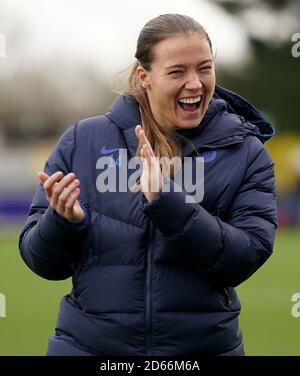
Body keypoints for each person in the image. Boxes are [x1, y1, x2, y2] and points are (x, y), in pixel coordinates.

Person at [19, 13, 277, 356]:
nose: (196, 84)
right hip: (88, 348)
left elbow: (245, 257)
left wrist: (168, 202)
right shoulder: (83, 140)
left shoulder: (245, 152)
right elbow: (40, 261)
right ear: (144, 77)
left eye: (204, 68)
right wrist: (62, 222)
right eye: (177, 72)